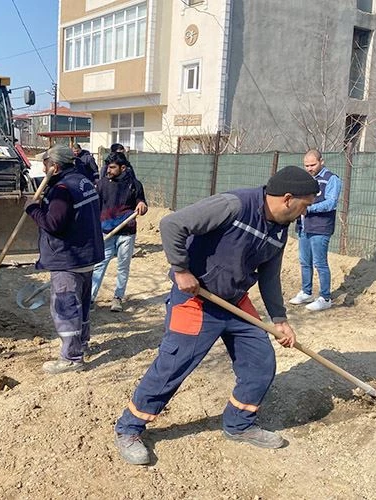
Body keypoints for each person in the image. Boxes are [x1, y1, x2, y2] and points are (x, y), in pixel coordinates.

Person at [112, 165, 319, 466]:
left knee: (261, 361)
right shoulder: (233, 205)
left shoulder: (278, 230)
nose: (305, 212)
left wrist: (279, 318)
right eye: (305, 205)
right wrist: (181, 268)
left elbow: (270, 275)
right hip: (197, 298)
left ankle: (239, 425)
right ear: (288, 198)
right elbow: (172, 224)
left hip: (235, 301)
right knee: (173, 366)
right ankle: (128, 428)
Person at [25, 145, 104, 374]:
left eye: (46, 163)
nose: (43, 167)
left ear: (56, 166)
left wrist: (32, 210)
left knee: (66, 307)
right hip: (86, 255)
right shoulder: (84, 181)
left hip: (68, 258)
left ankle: (71, 358)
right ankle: (83, 344)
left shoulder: (61, 189)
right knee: (82, 304)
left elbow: (53, 224)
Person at [91, 152, 148, 312]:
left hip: (127, 232)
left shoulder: (135, 184)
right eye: (108, 166)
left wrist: (142, 205)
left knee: (123, 266)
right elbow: (95, 206)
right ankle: (90, 298)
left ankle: (118, 298)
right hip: (106, 231)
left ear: (123, 168)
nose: (108, 170)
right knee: (100, 265)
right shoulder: (102, 184)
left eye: (112, 167)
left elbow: (141, 203)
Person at [288, 149, 342, 312]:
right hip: (304, 226)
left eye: (313, 165)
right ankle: (306, 292)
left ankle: (325, 298)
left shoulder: (331, 179)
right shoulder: (305, 180)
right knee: (305, 262)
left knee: (320, 263)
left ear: (321, 162)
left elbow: (331, 203)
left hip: (320, 227)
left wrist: (308, 209)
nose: (309, 168)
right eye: (306, 165)